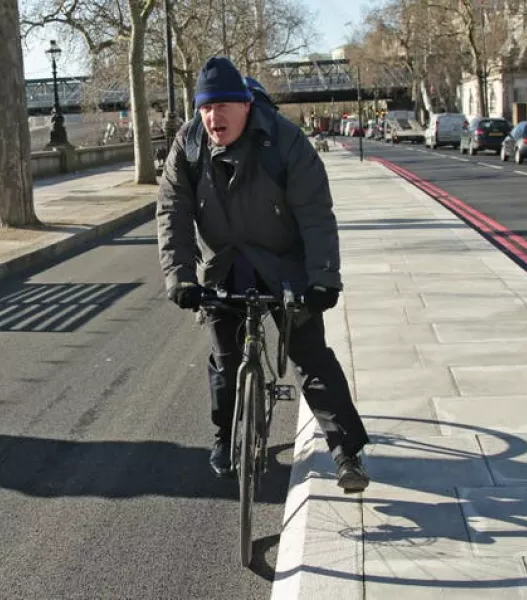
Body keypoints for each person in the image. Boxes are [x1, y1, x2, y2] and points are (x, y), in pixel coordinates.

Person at [156, 57, 369, 492]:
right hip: (224, 265)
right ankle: (224, 437)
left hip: (284, 263)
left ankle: (346, 452)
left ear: (247, 106)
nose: (214, 117)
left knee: (309, 356)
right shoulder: (189, 145)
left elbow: (315, 212)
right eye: (205, 108)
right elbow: (172, 211)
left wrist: (324, 278)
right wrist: (180, 278)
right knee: (225, 358)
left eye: (225, 106)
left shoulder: (284, 141)